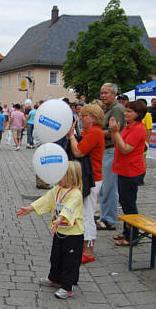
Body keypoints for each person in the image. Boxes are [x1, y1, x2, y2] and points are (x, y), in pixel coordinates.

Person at [16, 161, 83, 299]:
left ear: (71, 177)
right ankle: (55, 279)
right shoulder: (57, 189)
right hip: (58, 231)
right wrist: (30, 208)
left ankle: (68, 287)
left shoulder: (76, 194)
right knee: (56, 257)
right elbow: (46, 200)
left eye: (61, 174)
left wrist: (59, 220)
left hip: (73, 235)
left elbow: (68, 209)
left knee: (70, 262)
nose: (57, 177)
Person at [67, 104, 105, 264]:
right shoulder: (90, 132)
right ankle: (84, 246)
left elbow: (79, 151)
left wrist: (71, 137)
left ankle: (88, 250)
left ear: (94, 118)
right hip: (88, 177)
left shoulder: (95, 133)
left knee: (88, 214)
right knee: (83, 212)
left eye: (84, 116)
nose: (81, 118)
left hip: (92, 178)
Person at [109, 100, 147, 246]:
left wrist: (116, 132)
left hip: (131, 171)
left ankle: (132, 236)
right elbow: (117, 142)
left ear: (138, 114)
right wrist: (115, 132)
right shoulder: (129, 126)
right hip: (123, 169)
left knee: (129, 204)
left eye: (129, 111)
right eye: (126, 110)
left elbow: (125, 148)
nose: (125, 113)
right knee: (125, 203)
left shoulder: (138, 129)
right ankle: (127, 231)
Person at [97, 83, 125, 230]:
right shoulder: (107, 109)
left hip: (111, 150)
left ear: (114, 94)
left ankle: (109, 219)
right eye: (101, 93)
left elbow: (115, 131)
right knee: (104, 187)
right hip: (105, 150)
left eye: (106, 93)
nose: (103, 96)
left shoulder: (117, 109)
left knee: (109, 187)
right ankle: (104, 215)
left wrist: (95, 133)